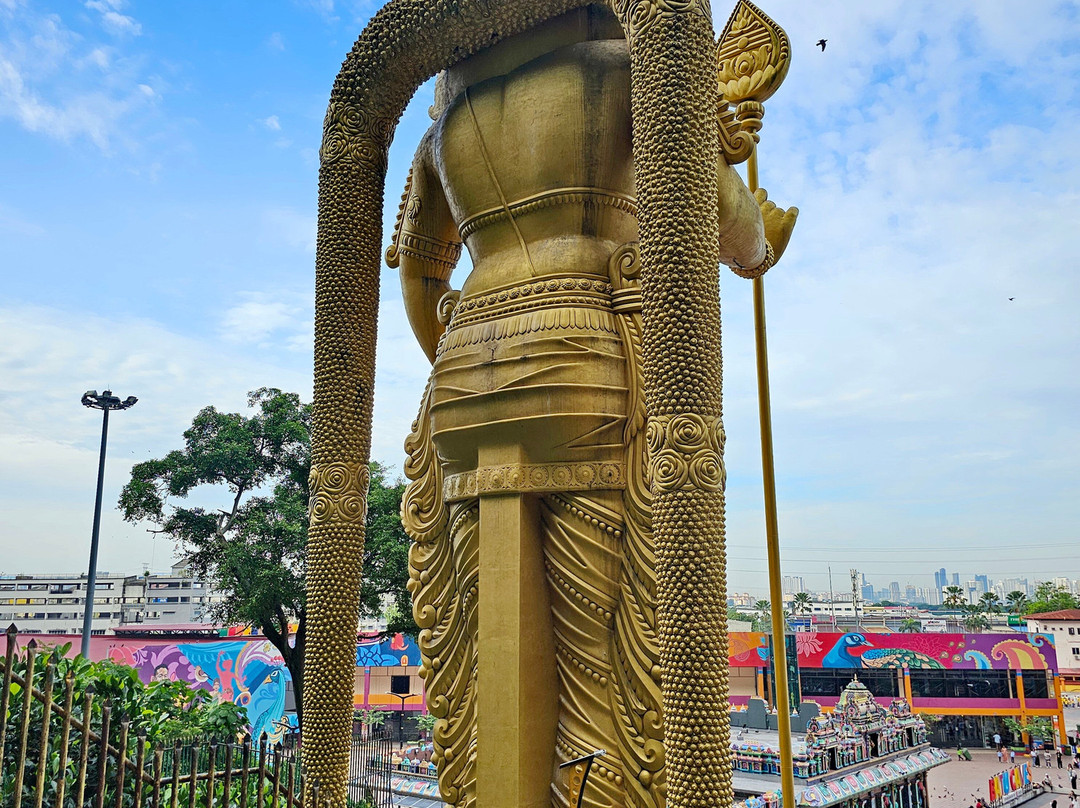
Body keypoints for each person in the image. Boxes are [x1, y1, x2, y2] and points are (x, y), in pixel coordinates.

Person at [394, 6, 796, 807]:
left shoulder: (443, 126)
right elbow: (728, 228)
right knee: (602, 673)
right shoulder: (631, 70)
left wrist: (459, 355)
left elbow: (417, 274)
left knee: (485, 658)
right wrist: (755, 211)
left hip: (465, 377)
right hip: (588, 355)